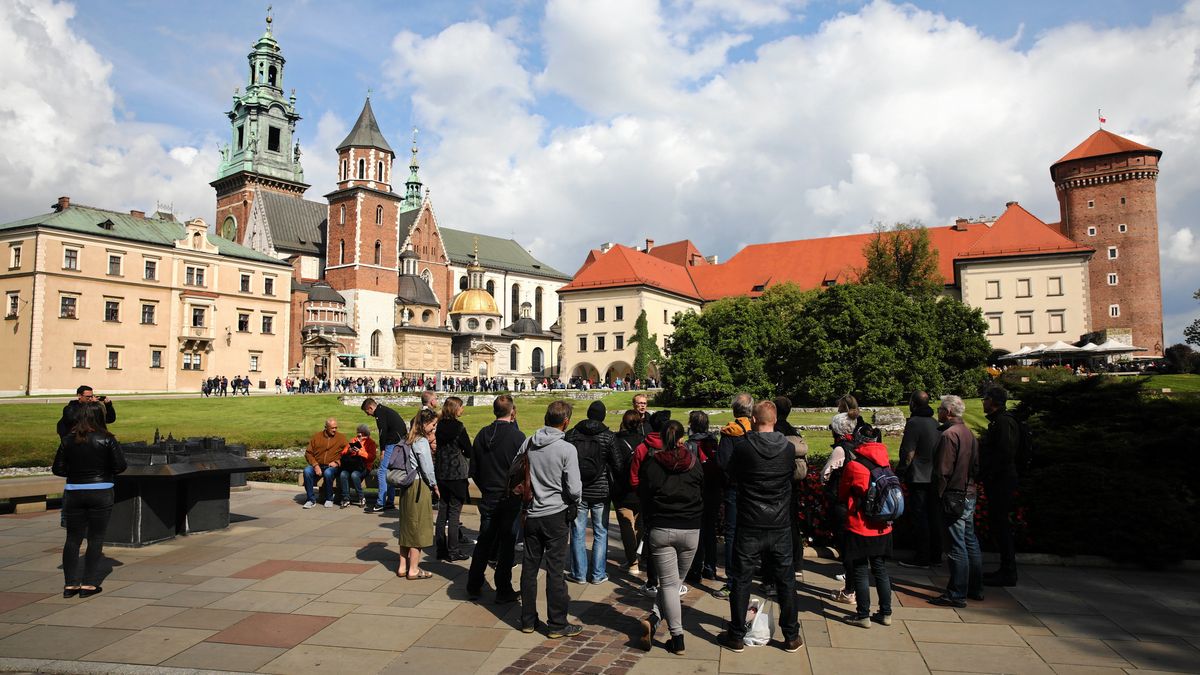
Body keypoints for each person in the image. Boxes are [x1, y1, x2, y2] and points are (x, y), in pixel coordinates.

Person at [716, 400, 803, 654]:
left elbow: (731, 475)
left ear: (754, 420)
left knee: (742, 580)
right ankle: (791, 635)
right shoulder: (786, 448)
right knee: (786, 581)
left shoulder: (745, 447)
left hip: (751, 522)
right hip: (778, 522)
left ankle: (736, 635)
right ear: (774, 421)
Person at [637, 420, 703, 655]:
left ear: (663, 439)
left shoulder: (653, 464)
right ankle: (672, 633)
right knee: (672, 585)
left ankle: (668, 629)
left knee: (669, 585)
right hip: (690, 528)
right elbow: (701, 490)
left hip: (663, 528)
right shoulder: (694, 464)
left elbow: (643, 496)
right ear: (682, 439)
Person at [519, 400, 583, 639]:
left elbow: (516, 471)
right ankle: (557, 623)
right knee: (555, 570)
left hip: (532, 512)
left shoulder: (529, 442)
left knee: (529, 567)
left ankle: (527, 619)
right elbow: (575, 489)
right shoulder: (567, 449)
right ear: (565, 422)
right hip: (555, 514)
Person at [52, 401, 127, 597]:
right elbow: (120, 466)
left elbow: (58, 469)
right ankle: (89, 584)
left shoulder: (68, 439)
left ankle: (70, 585)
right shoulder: (107, 439)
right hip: (100, 490)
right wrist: (102, 472)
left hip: (74, 491)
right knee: (96, 538)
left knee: (72, 539)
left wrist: (76, 473)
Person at [467, 395, 525, 603]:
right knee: (507, 543)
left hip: (490, 494)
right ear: (512, 411)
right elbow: (524, 470)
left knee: (484, 540)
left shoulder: (483, 434)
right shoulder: (517, 437)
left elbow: (474, 469)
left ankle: (474, 584)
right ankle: (503, 589)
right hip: (508, 496)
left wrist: (486, 488)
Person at [929, 395, 983, 608]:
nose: (938, 412)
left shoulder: (949, 435)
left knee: (956, 545)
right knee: (970, 540)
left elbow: (942, 471)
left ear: (948, 412)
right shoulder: (969, 433)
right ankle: (975, 588)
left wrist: (940, 495)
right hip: (969, 492)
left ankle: (957, 593)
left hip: (954, 494)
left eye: (940, 408)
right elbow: (977, 466)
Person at [837, 436, 894, 628]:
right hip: (883, 526)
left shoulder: (854, 466)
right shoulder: (886, 464)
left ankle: (863, 615)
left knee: (860, 570)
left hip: (860, 525)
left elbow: (842, 493)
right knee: (881, 570)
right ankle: (886, 613)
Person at [565, 401, 617, 584]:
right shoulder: (609, 437)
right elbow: (617, 465)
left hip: (578, 489)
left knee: (578, 531)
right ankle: (597, 574)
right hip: (601, 490)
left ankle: (579, 573)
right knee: (601, 532)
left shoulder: (572, 434)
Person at [711, 393, 753, 600]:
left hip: (734, 489)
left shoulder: (730, 433)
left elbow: (722, 462)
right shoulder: (754, 430)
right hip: (753, 489)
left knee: (732, 534)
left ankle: (732, 581)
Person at [821, 412, 866, 604]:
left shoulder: (840, 450)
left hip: (841, 504)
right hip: (857, 503)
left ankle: (850, 591)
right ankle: (854, 589)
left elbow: (825, 474)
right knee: (853, 548)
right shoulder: (859, 445)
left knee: (846, 548)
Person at [896, 391, 943, 569]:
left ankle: (922, 557)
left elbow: (908, 452)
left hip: (919, 476)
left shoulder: (914, 423)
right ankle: (936, 555)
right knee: (934, 515)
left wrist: (900, 471)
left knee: (920, 517)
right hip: (933, 475)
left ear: (913, 404)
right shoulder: (934, 422)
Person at [630, 410, 672, 597]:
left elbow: (634, 475)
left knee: (652, 539)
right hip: (669, 496)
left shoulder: (642, 447)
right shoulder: (673, 446)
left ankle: (652, 581)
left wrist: (641, 492)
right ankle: (670, 581)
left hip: (648, 498)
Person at [981, 387, 1019, 587]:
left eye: (985, 398)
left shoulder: (1003, 423)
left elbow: (1004, 454)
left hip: (1001, 481)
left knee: (1001, 525)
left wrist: (990, 473)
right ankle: (1005, 568)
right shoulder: (1000, 421)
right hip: (1000, 479)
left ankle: (1008, 571)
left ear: (994, 401)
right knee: (998, 525)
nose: (983, 402)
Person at [396, 408, 440, 579]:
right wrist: (435, 485)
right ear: (425, 423)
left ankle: (402, 566)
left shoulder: (407, 438)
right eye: (433, 425)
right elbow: (427, 468)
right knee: (418, 527)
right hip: (418, 485)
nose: (434, 428)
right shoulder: (421, 441)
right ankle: (413, 569)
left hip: (406, 486)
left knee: (406, 526)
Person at [774, 396, 808, 585]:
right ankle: (797, 564)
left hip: (779, 484)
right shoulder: (793, 431)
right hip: (793, 484)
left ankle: (778, 567)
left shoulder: (775, 431)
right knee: (792, 523)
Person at [434, 397, 472, 562]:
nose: (462, 410)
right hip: (456, 473)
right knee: (455, 513)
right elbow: (469, 450)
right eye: (461, 407)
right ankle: (454, 550)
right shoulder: (458, 427)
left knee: (443, 511)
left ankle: (441, 548)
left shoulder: (440, 426)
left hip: (442, 472)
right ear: (455, 409)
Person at [685, 410, 720, 585]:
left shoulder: (690, 444)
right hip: (713, 490)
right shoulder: (713, 442)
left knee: (698, 532)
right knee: (710, 531)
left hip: (697, 491)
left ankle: (696, 568)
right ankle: (711, 567)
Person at [612, 409, 647, 574]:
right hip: (639, 488)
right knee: (638, 525)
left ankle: (632, 562)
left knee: (626, 525)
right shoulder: (644, 441)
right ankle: (636, 558)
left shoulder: (616, 441)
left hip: (622, 488)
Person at [362, 398, 408, 513]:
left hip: (391, 443)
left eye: (367, 412)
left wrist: (382, 450)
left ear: (370, 408)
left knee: (382, 471)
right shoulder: (385, 410)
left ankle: (380, 503)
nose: (368, 415)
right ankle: (390, 502)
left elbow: (382, 433)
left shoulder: (379, 413)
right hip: (399, 441)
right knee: (388, 471)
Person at [303, 418, 346, 508]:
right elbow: (308, 453)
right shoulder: (317, 437)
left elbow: (347, 454)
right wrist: (315, 465)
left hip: (332, 467)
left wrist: (337, 462)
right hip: (318, 465)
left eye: (336, 428)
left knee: (328, 472)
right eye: (332, 428)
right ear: (326, 427)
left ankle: (329, 498)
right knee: (307, 471)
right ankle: (310, 500)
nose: (334, 430)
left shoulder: (341, 438)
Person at [338, 424, 377, 508]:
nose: (358, 436)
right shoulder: (353, 440)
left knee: (354, 475)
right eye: (358, 433)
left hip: (364, 467)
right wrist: (349, 450)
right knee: (343, 474)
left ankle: (361, 497)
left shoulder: (371, 443)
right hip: (351, 465)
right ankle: (346, 498)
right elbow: (343, 453)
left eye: (360, 434)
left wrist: (360, 451)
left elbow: (372, 457)